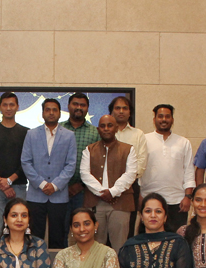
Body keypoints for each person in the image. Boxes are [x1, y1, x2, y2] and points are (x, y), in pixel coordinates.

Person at [20, 98, 77, 249]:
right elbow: (25, 162)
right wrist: (42, 184)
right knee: (34, 236)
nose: (51, 113)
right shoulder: (31, 134)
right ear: (43, 113)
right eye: (48, 110)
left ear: (60, 113)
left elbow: (71, 164)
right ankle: (35, 262)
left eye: (54, 110)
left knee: (58, 236)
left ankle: (57, 264)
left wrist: (55, 185)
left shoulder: (69, 135)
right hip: (36, 194)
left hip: (59, 195)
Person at [81, 114, 137, 252]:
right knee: (95, 248)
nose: (106, 129)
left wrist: (112, 192)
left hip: (121, 203)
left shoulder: (128, 149)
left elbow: (130, 174)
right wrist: (102, 192)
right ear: (98, 129)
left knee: (119, 246)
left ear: (116, 128)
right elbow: (84, 174)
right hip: (95, 203)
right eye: (102, 126)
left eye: (110, 125)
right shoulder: (89, 150)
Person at [139, 104, 194, 232]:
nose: (164, 119)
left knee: (177, 237)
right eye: (160, 116)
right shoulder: (144, 140)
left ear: (172, 120)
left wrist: (188, 196)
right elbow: (138, 170)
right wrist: (140, 195)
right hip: (150, 199)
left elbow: (189, 171)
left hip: (177, 201)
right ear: (154, 119)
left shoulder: (183, 142)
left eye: (167, 116)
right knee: (151, 236)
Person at [0, 92, 29, 240]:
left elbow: (27, 162)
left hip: (18, 187)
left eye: (12, 105)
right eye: (5, 105)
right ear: (0, 107)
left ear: (17, 107)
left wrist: (9, 181)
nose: (8, 108)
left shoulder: (27, 133)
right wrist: (2, 183)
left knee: (19, 231)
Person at [110, 96, 147, 238]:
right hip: (106, 188)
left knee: (127, 227)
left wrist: (124, 182)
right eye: (117, 108)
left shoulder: (138, 134)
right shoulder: (103, 132)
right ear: (111, 111)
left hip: (130, 187)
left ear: (130, 112)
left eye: (125, 108)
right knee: (106, 227)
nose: (121, 111)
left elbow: (141, 163)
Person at [61, 92, 100, 220]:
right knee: (60, 227)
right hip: (59, 190)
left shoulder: (95, 132)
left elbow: (98, 163)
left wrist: (81, 185)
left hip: (84, 191)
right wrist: (61, 184)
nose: (78, 107)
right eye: (75, 104)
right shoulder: (58, 129)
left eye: (82, 105)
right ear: (68, 106)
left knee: (83, 225)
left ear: (87, 108)